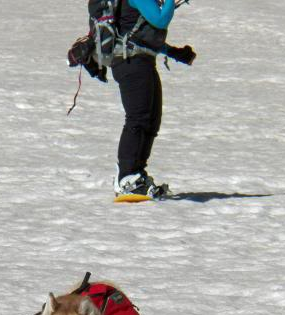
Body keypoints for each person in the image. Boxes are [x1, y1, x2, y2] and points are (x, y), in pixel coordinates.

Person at [69, 0, 195, 200]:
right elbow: (160, 20)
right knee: (138, 119)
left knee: (151, 120)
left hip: (139, 60)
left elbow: (139, 32)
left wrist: (172, 52)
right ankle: (126, 177)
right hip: (131, 62)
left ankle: (136, 175)